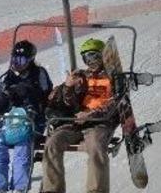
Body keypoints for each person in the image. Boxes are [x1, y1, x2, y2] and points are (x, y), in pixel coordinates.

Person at [41, 38, 119, 193]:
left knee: (96, 145)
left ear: (102, 56)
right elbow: (70, 103)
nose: (91, 61)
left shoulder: (113, 78)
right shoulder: (82, 77)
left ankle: (96, 190)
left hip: (100, 122)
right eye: (87, 57)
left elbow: (114, 104)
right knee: (52, 143)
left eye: (94, 56)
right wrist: (68, 87)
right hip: (76, 122)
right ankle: (52, 189)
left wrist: (91, 115)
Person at [0, 40, 53, 193]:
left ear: (30, 60)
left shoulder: (39, 73)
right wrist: (4, 95)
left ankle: (19, 187)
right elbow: (0, 106)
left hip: (32, 121)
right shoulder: (9, 76)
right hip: (10, 120)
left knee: (22, 146)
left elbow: (46, 96)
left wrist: (27, 91)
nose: (17, 63)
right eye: (14, 59)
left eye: (21, 60)